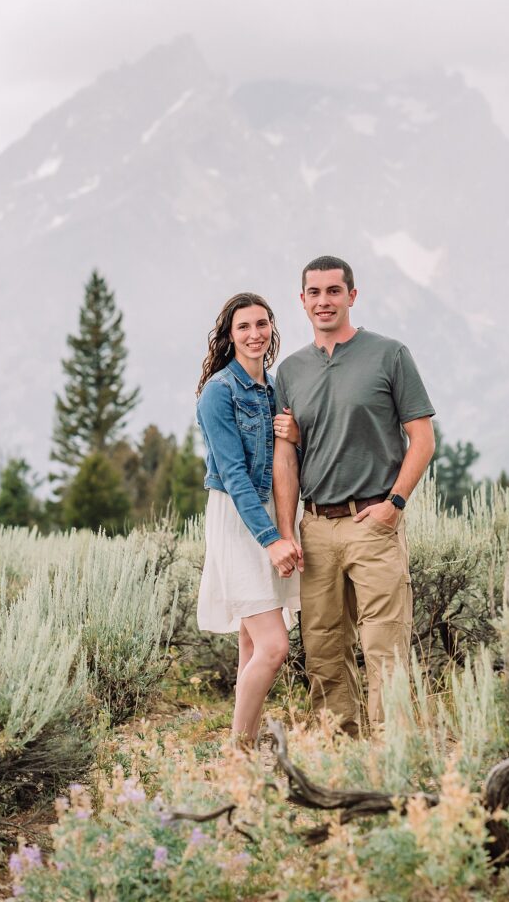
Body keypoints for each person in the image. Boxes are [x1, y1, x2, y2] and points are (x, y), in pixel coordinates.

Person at [272, 256, 436, 736]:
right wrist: (288, 530)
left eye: (333, 291)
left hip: (374, 521)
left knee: (384, 644)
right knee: (322, 646)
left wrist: (395, 505)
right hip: (316, 527)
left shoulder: (389, 355)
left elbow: (422, 439)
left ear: (351, 296)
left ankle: (393, 750)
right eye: (314, 293)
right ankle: (339, 750)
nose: (324, 301)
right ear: (302, 301)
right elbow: (286, 458)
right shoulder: (291, 371)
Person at [195, 292, 302, 746]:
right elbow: (234, 475)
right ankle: (237, 752)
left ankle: (246, 748)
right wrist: (271, 537)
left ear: (272, 329)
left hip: (275, 510)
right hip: (240, 519)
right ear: (229, 335)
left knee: (253, 641)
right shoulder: (219, 392)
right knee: (274, 646)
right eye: (244, 327)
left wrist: (293, 433)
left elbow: (289, 456)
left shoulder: (277, 389)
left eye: (262, 324)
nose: (255, 334)